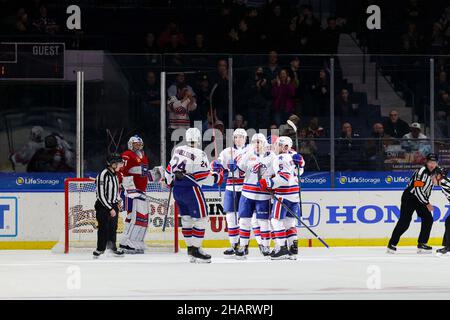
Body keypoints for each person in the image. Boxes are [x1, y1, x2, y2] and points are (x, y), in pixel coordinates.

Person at [164, 128, 224, 263]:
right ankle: (196, 250)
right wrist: (217, 176)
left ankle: (190, 249)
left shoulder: (178, 150)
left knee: (186, 219)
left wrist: (169, 182)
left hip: (177, 190)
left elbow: (169, 170)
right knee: (201, 219)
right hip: (191, 189)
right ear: (198, 139)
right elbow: (203, 177)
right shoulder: (200, 153)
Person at [231, 133, 277, 259]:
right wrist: (233, 168)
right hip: (247, 194)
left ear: (264, 143)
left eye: (259, 142)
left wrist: (270, 183)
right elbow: (239, 172)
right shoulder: (248, 155)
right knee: (244, 221)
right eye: (254, 142)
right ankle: (244, 247)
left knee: (264, 222)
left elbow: (276, 175)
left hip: (263, 196)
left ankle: (266, 246)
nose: (256, 144)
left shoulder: (272, 157)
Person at [259, 136, 304, 260]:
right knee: (290, 222)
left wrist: (268, 183)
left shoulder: (280, 158)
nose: (275, 147)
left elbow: (283, 179)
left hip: (284, 194)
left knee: (275, 221)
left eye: (277, 145)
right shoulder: (295, 155)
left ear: (284, 147)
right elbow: (300, 171)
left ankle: (282, 248)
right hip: (294, 193)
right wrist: (301, 164)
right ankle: (293, 248)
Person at [387, 153, 439, 254]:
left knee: (428, 219)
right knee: (405, 222)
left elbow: (442, 179)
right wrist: (427, 203)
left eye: (434, 163)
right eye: (430, 162)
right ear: (426, 162)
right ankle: (391, 244)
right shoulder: (421, 172)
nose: (432, 165)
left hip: (421, 198)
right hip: (410, 197)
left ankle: (422, 244)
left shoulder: (437, 170)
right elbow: (417, 189)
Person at [119, 136, 162, 254]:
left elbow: (143, 174)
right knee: (131, 215)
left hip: (141, 191)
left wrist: (157, 174)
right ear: (130, 144)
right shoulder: (127, 154)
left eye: (139, 144)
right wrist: (125, 186)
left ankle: (136, 240)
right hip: (131, 191)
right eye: (135, 144)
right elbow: (122, 171)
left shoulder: (143, 156)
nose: (137, 146)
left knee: (141, 217)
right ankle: (125, 241)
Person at [212, 129, 249, 256]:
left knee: (244, 219)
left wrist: (239, 168)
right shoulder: (227, 151)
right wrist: (216, 165)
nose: (239, 139)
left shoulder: (250, 151)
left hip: (245, 187)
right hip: (230, 187)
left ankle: (244, 245)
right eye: (236, 137)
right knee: (230, 218)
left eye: (241, 137)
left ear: (245, 138)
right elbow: (218, 162)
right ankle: (234, 245)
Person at [93, 154, 125, 258]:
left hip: (113, 205)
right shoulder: (103, 175)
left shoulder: (115, 175)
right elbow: (100, 195)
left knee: (113, 227)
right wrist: (109, 208)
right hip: (103, 206)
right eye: (119, 162)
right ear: (113, 164)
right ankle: (100, 249)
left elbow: (115, 191)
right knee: (103, 227)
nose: (121, 164)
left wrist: (118, 201)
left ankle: (112, 248)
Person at [434, 167, 450, 254]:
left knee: (449, 222)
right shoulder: (444, 181)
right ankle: (447, 245)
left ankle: (448, 246)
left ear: (439, 175)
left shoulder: (444, 182)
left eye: (435, 174)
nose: (433, 176)